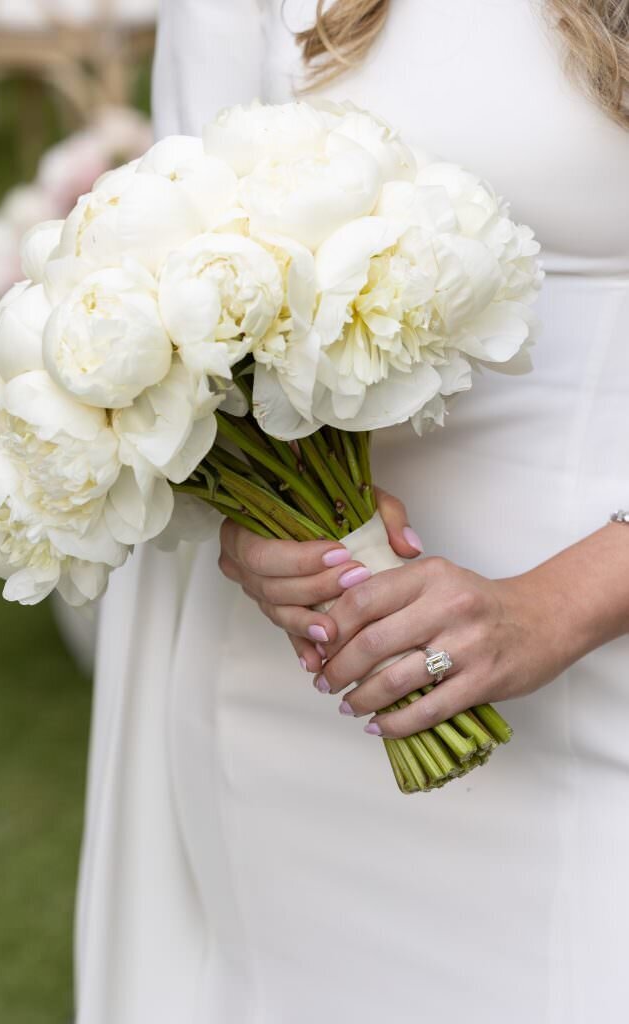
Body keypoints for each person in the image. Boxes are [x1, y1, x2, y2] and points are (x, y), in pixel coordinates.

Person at [75, 2, 629, 1022]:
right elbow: (166, 280)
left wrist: (556, 607)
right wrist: (244, 514)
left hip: (595, 690)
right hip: (286, 698)